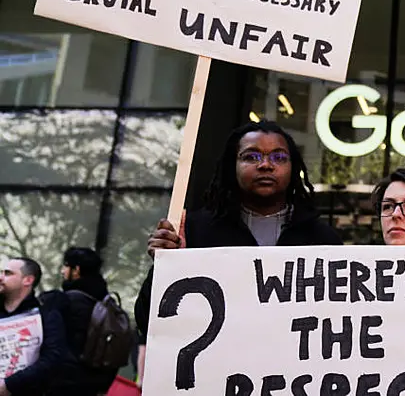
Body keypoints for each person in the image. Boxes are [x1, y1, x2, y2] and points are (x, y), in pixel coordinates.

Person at [134, 120, 343, 339]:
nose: (265, 165)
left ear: (293, 168)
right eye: (251, 156)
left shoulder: (321, 239)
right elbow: (148, 322)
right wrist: (166, 265)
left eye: (279, 157)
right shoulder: (194, 231)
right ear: (231, 166)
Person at [41, 247, 119, 396]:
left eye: (65, 266)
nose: (63, 271)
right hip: (93, 384)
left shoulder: (66, 301)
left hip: (63, 383)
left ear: (76, 270)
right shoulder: (106, 303)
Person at [0, 257, 69, 396]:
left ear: (28, 280)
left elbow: (52, 359)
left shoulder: (46, 316)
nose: (1, 277)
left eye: (8, 273)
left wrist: (9, 385)